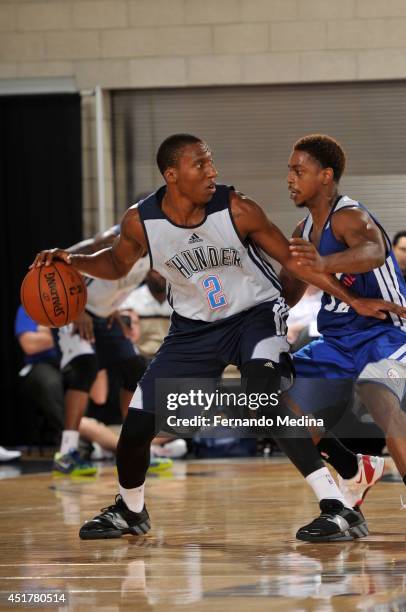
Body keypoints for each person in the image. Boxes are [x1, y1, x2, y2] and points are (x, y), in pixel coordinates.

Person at [32, 134, 406, 543]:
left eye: (212, 163)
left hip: (255, 318)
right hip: (193, 330)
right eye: (201, 165)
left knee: (262, 397)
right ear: (172, 175)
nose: (212, 172)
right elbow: (118, 261)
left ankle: (336, 506)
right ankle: (130, 509)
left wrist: (354, 299)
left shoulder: (238, 208)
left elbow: (298, 263)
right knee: (137, 427)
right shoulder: (142, 221)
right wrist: (74, 260)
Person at [284, 133, 406, 509]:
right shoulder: (301, 233)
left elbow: (372, 251)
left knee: (378, 396)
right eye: (289, 170)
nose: (290, 178)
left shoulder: (351, 215)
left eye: (298, 170)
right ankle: (353, 467)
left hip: (384, 332)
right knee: (275, 401)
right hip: (335, 341)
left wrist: (324, 264)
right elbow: (289, 291)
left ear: (326, 175)